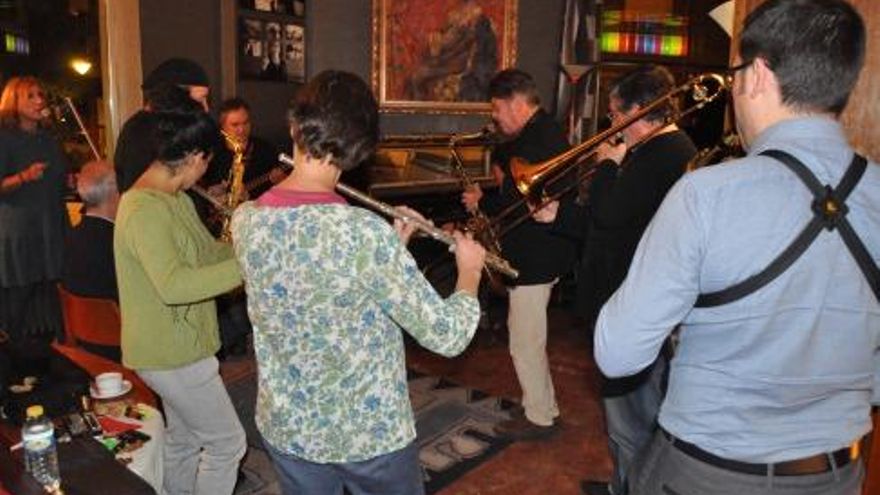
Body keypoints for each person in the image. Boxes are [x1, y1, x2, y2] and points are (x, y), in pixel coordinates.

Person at [594, 1, 875, 494]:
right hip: (837, 474)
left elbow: (617, 354)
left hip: (709, 471)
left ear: (758, 75)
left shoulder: (707, 193)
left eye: (737, 72)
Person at [230, 70, 486, 494]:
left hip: (290, 428)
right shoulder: (362, 233)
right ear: (359, 150)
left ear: (294, 127)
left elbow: (319, 290)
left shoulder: (246, 219)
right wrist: (470, 270)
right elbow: (448, 335)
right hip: (369, 436)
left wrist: (394, 249)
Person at [114, 100, 246, 495]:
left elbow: (207, 254)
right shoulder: (141, 209)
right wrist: (252, 266)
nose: (207, 171)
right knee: (227, 443)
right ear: (191, 157)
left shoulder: (176, 199)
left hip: (183, 348)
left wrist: (249, 244)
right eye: (207, 161)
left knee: (184, 440)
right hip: (169, 354)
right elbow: (173, 286)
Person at [576, 65, 697, 495]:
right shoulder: (658, 151)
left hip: (634, 302)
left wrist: (608, 165)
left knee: (631, 420)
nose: (611, 126)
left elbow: (610, 215)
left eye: (615, 116)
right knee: (624, 418)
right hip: (627, 295)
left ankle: (631, 488)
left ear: (641, 113)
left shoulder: (664, 153)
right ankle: (620, 485)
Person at [462, 68, 576, 440]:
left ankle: (539, 418)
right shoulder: (536, 132)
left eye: (497, 108)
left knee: (525, 339)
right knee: (527, 337)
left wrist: (491, 203)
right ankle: (545, 406)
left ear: (515, 103)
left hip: (539, 254)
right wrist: (489, 197)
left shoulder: (543, 138)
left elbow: (527, 199)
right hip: (535, 251)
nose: (494, 115)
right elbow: (513, 192)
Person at [202, 97, 284, 356]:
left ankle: (248, 333)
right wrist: (213, 195)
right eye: (235, 124)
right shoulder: (211, 152)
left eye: (245, 123)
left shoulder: (265, 150)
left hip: (256, 225)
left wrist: (265, 191)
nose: (241, 129)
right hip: (220, 227)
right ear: (222, 127)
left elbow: (281, 191)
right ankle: (234, 335)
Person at [0, 76, 68, 376]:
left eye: (41, 95)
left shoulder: (48, 137)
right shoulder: (3, 137)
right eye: (30, 96)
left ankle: (63, 355)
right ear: (14, 101)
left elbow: (60, 174)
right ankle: (12, 359)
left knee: (58, 288)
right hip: (21, 227)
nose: (40, 101)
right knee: (20, 292)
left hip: (51, 222)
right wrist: (23, 178)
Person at [115, 57, 211, 192]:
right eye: (202, 98)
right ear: (177, 95)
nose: (206, 108)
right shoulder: (139, 132)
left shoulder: (160, 127)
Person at [405, 0, 498, 102]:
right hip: (447, 59)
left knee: (418, 78)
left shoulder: (478, 19)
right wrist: (437, 40)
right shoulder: (456, 14)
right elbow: (446, 36)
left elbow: (466, 47)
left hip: (459, 63)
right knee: (414, 78)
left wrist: (442, 44)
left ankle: (419, 108)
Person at [63, 160, 120, 302]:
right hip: (115, 321)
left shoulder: (67, 237)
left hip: (80, 322)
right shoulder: (117, 242)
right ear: (114, 193)